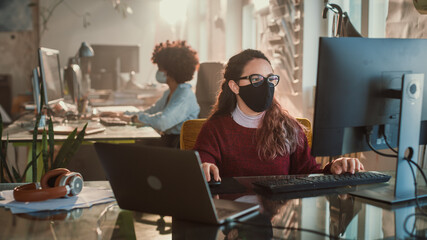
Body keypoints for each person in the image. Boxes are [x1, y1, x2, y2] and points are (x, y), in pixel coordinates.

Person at [193, 49, 364, 182]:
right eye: (256, 80)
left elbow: (308, 173)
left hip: (278, 220)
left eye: (270, 79)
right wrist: (203, 167)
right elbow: (203, 163)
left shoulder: (288, 127)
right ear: (235, 86)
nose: (266, 86)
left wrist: (334, 168)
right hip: (233, 220)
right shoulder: (216, 129)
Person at [102, 40, 200, 148]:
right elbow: (150, 112)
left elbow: (162, 122)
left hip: (176, 146)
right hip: (166, 141)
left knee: (125, 148)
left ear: (170, 70)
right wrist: (120, 114)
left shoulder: (184, 95)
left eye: (160, 68)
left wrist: (132, 119)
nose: (158, 71)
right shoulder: (170, 92)